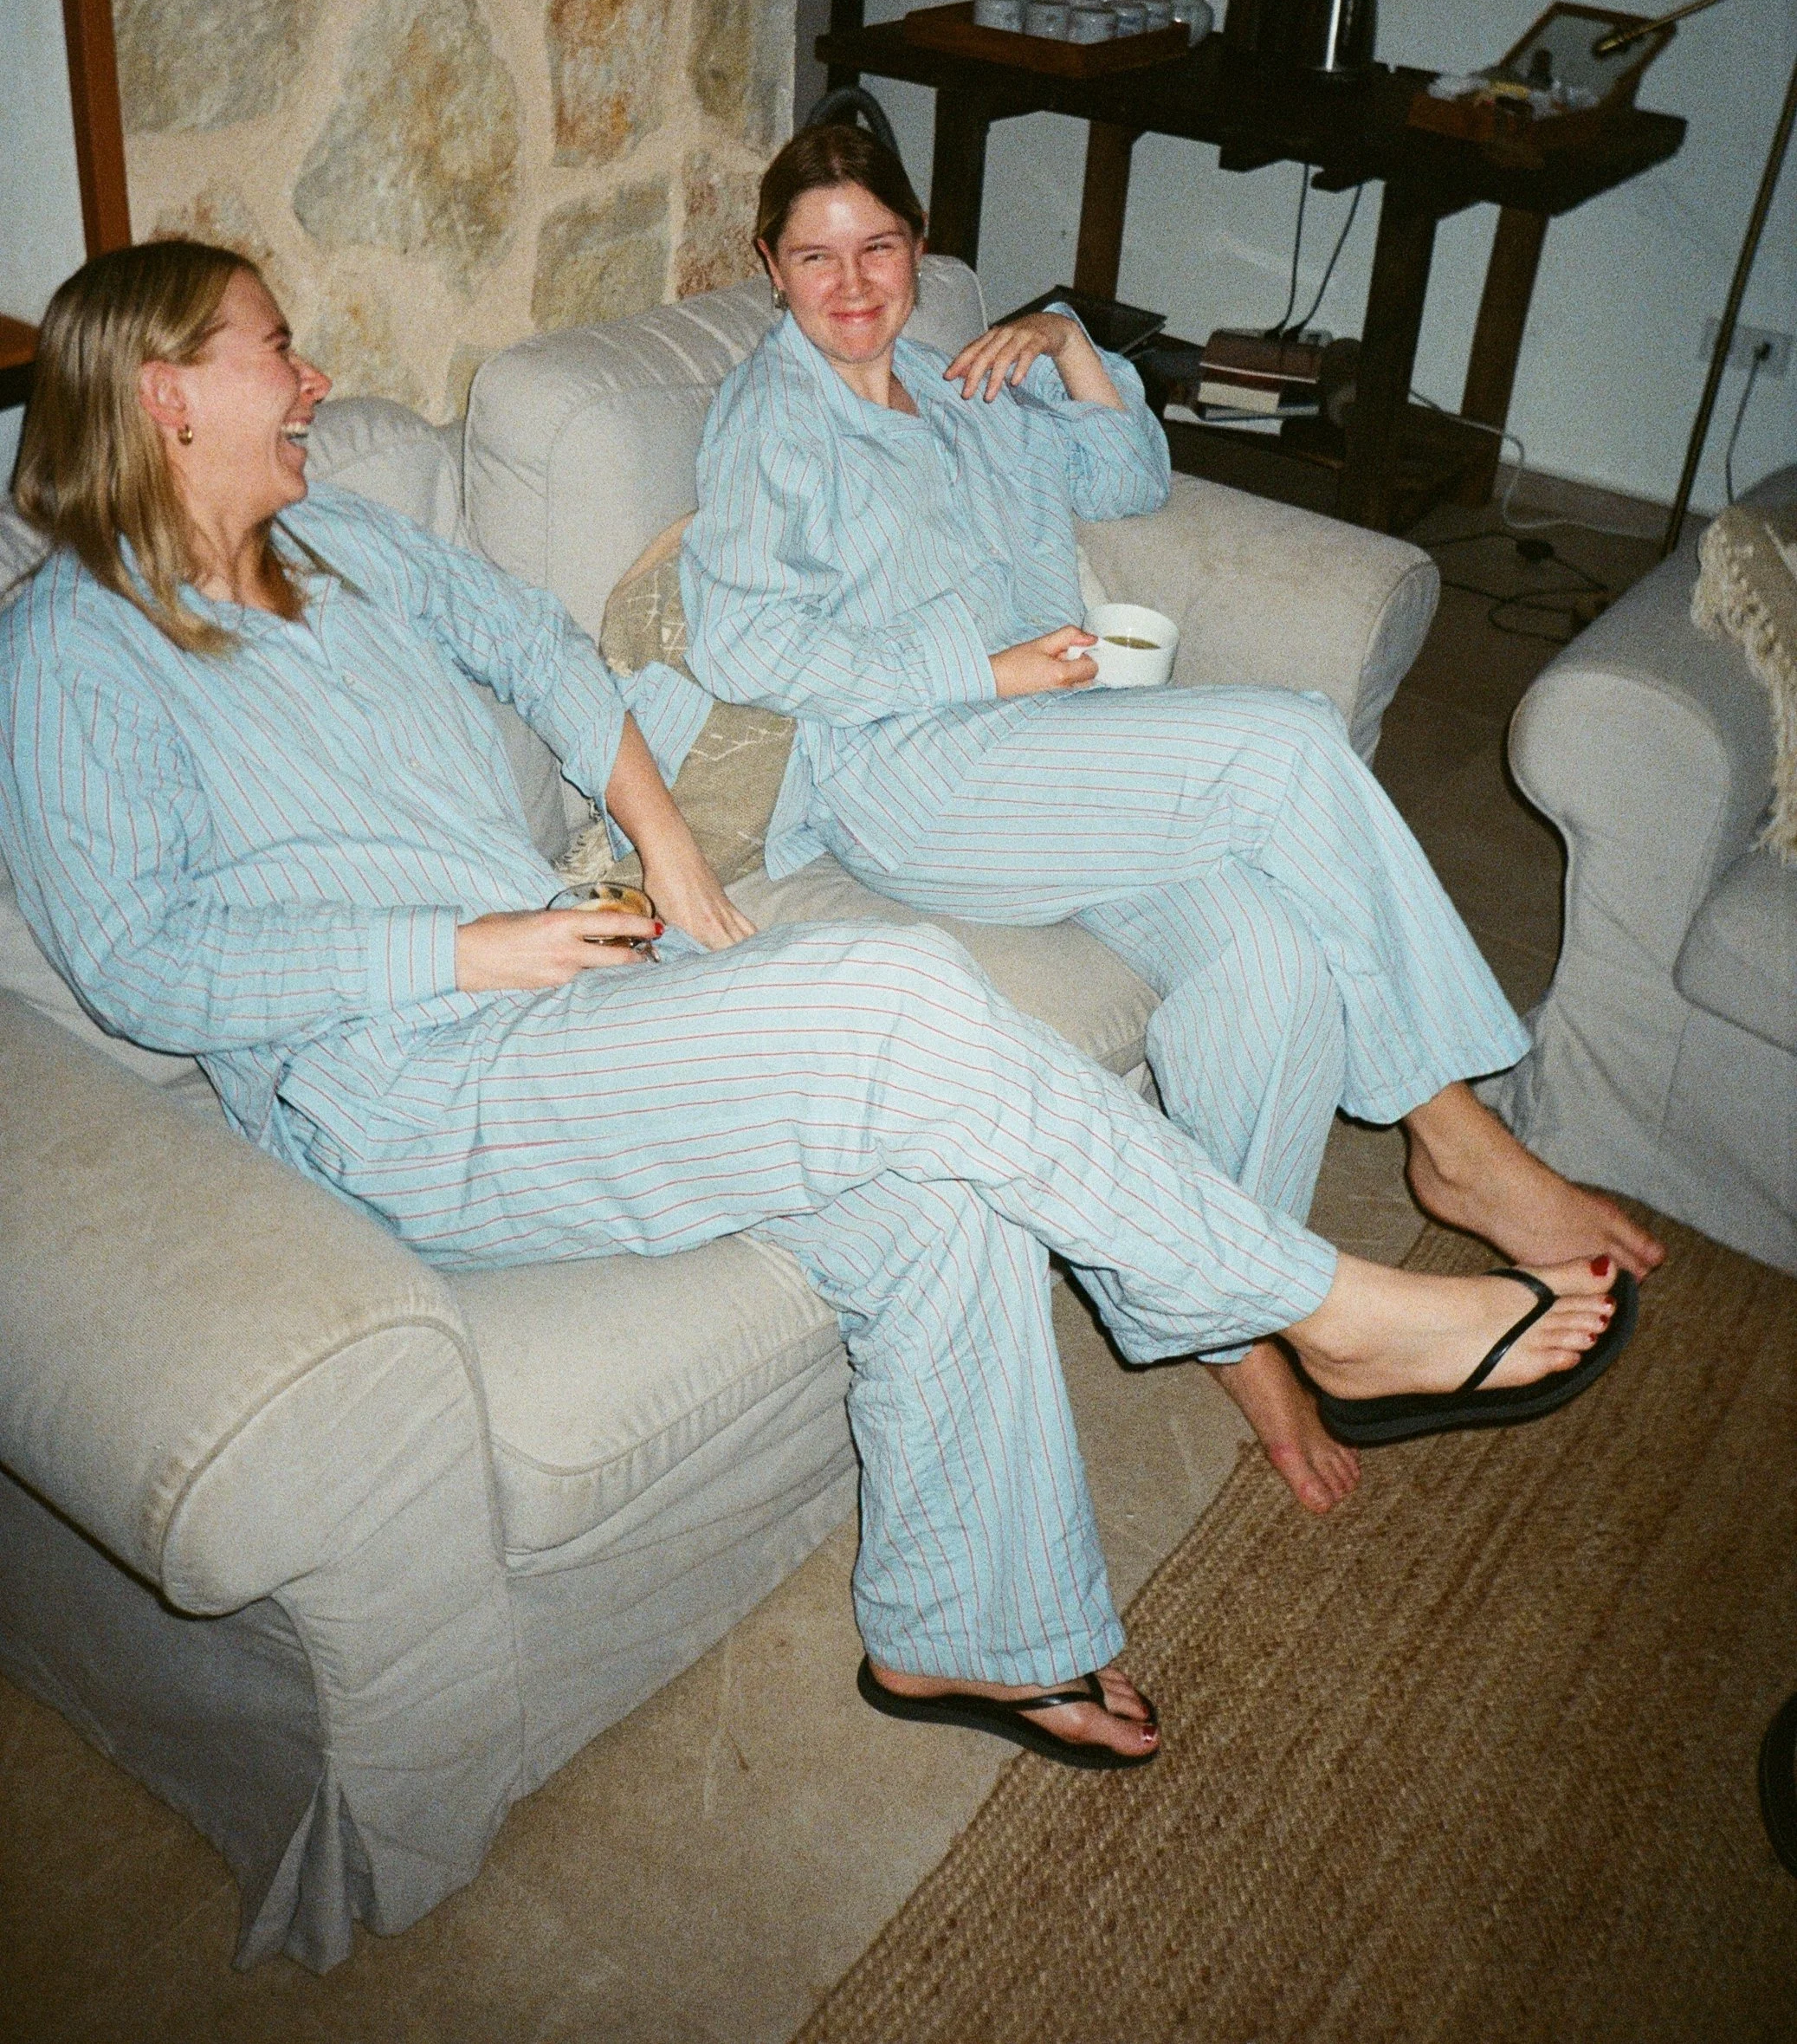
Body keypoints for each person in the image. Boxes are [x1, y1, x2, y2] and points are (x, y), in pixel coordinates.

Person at [0, 242, 1628, 1773]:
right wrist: (465, 949)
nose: (311, 379)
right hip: (400, 1091)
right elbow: (140, 959)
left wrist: (658, 837)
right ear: (165, 393)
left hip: (571, 987)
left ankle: (960, 1636)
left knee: (932, 1185)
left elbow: (541, 648)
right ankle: (1309, 1302)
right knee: (896, 993)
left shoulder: (343, 544)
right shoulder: (67, 651)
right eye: (277, 349)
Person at [682, 124, 1663, 1515]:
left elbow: (1126, 478)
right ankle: (1458, 1138)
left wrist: (1070, 344)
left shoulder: (959, 381)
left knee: (1269, 960)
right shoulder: (771, 421)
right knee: (1285, 743)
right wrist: (981, 667)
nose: (851, 284)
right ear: (770, 266)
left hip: (1053, 758)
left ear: (917, 245)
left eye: (877, 246)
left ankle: (1240, 1325)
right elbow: (741, 642)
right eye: (814, 256)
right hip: (919, 779)